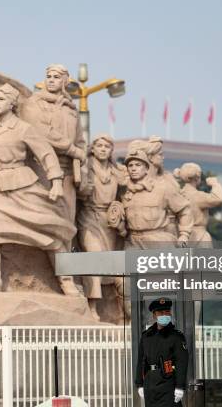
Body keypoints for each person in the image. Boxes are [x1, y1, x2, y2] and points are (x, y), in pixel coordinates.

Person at [0, 84, 77, 292]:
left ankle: (67, 281)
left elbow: (46, 153)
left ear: (12, 103)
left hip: (23, 186)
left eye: (1, 99)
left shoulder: (23, 128)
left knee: (49, 234)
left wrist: (56, 181)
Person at [21, 63, 86, 295]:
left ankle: (64, 274)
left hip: (68, 172)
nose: (50, 80)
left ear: (65, 81)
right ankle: (51, 277)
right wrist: (72, 149)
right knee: (46, 220)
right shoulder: (34, 103)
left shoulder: (71, 108)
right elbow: (40, 131)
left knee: (67, 226)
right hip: (42, 169)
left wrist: (80, 155)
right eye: (48, 76)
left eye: (56, 77)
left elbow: (80, 140)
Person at [77, 133, 127, 321]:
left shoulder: (116, 171)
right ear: (93, 148)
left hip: (109, 222)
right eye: (99, 146)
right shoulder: (86, 167)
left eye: (107, 146)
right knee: (94, 258)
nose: (103, 149)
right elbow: (79, 189)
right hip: (89, 217)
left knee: (112, 266)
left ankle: (119, 312)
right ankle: (92, 306)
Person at [121, 150, 193, 249]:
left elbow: (184, 209)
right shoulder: (124, 191)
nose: (133, 169)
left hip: (157, 242)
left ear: (146, 168)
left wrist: (184, 234)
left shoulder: (162, 188)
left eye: (138, 165)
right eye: (130, 165)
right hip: (132, 243)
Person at [136, 297, 189, 407]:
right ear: (154, 315)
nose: (164, 315)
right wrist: (139, 383)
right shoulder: (147, 336)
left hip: (168, 383)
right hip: (150, 384)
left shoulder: (176, 336)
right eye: (161, 312)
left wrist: (180, 387)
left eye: (167, 312)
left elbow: (181, 362)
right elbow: (141, 361)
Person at [177, 163, 222, 247]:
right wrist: (215, 184)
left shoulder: (178, 195)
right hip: (199, 236)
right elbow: (219, 198)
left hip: (180, 235)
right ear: (197, 178)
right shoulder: (198, 196)